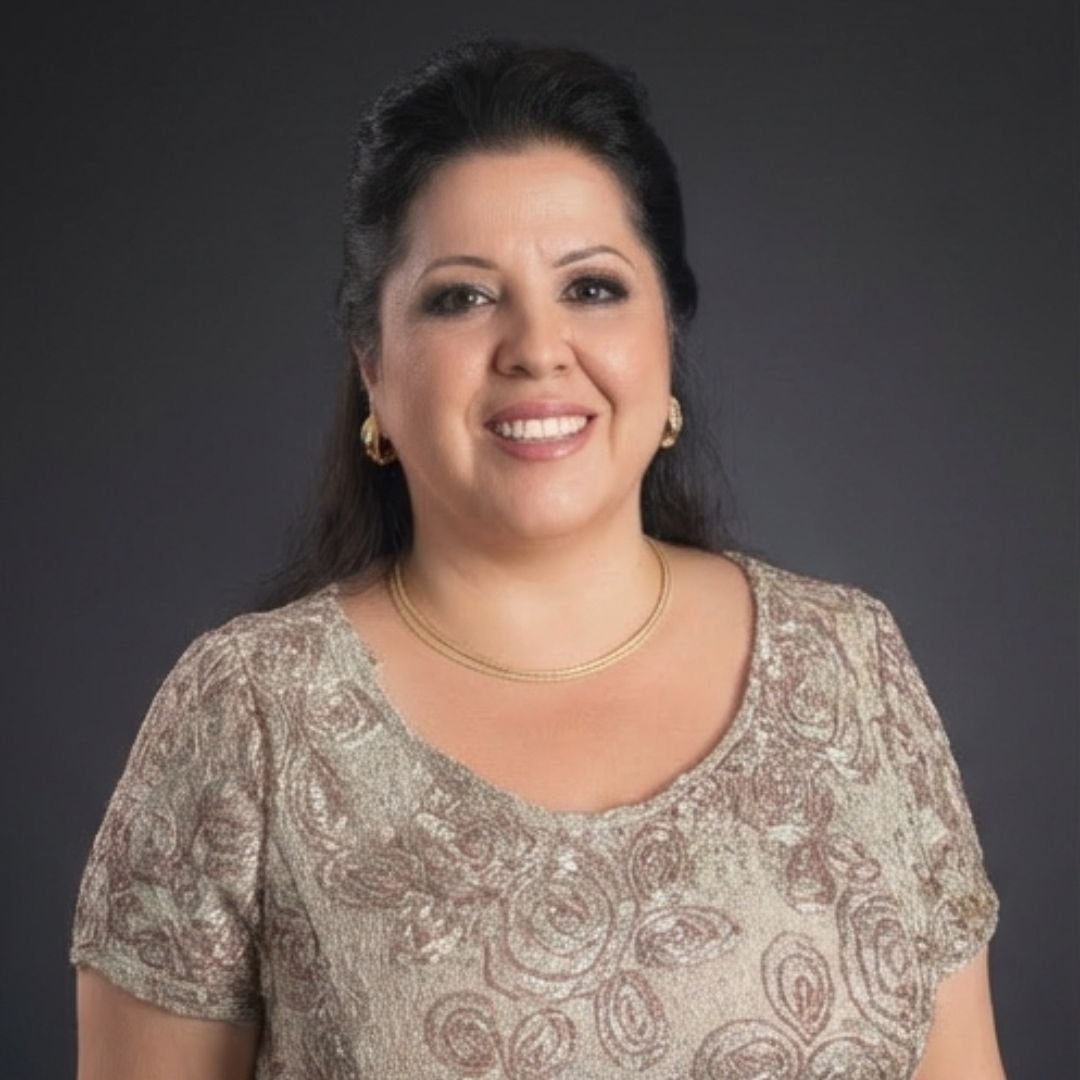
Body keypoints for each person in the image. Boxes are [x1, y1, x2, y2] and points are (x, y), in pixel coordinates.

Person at [70, 36, 1006, 1080]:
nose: (536, 348)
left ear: (667, 334)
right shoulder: (248, 716)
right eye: (462, 297)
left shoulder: (850, 666)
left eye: (592, 288)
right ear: (372, 368)